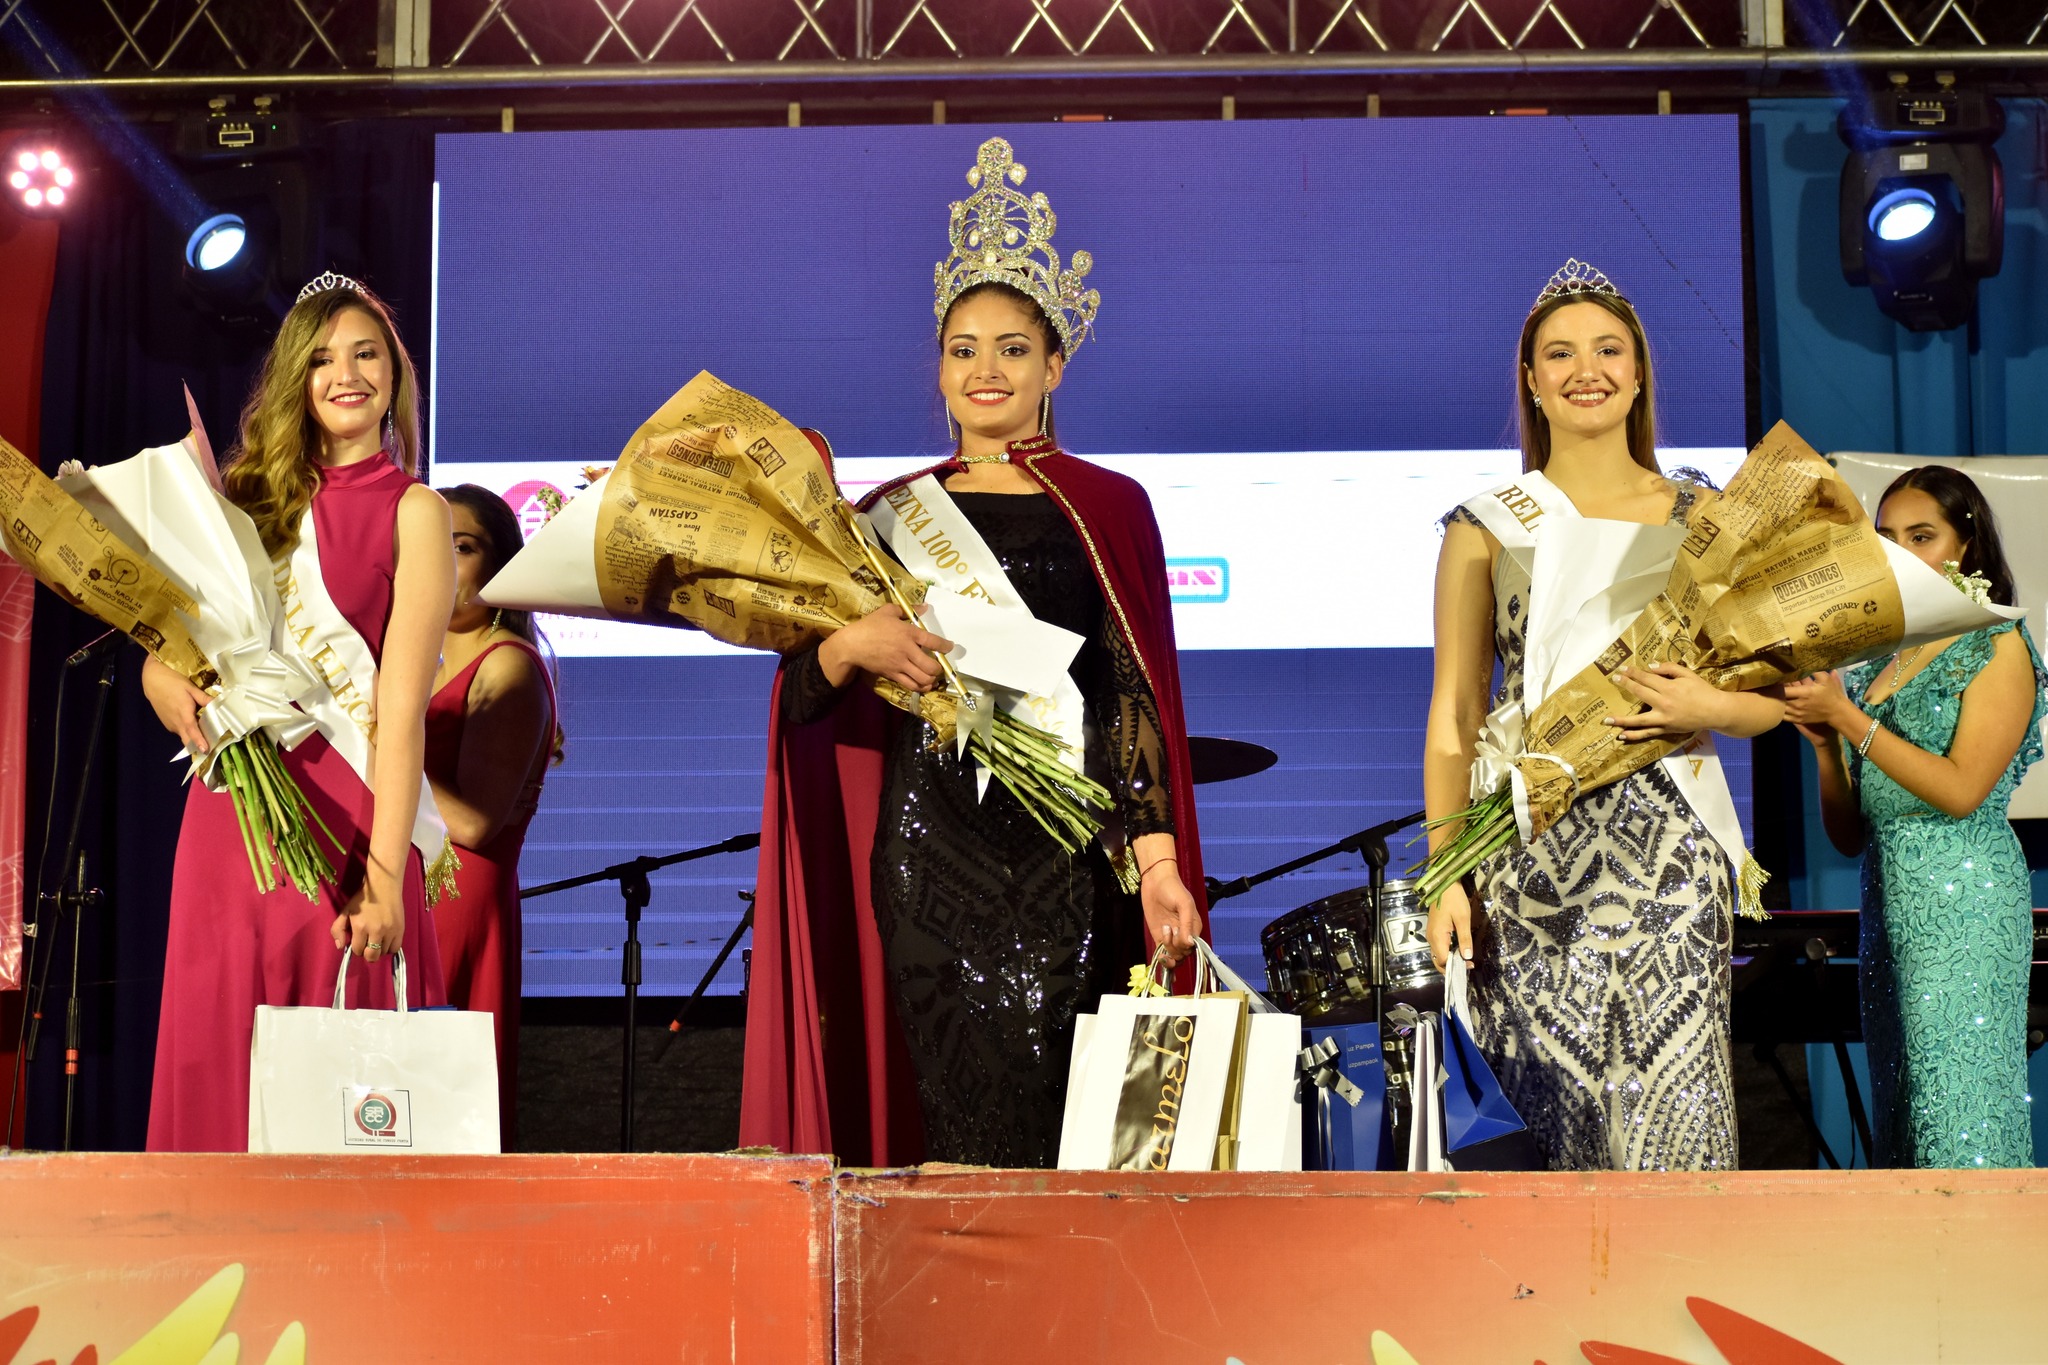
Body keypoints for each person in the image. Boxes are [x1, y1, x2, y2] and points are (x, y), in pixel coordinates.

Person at [740, 136, 1206, 1169]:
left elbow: (1126, 694)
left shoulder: (1108, 507)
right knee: (951, 1121)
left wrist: (1158, 861)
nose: (984, 370)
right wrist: (849, 644)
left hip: (1065, 856)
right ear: (939, 369)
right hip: (928, 850)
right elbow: (800, 700)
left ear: (1053, 366)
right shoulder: (887, 514)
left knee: (1060, 1119)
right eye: (962, 349)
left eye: (1010, 348)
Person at [1423, 260, 1782, 1172]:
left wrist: (1708, 703)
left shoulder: (1705, 517)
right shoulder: (1485, 525)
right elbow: (1456, 711)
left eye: (1609, 349)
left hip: (1673, 854)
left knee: (1677, 1124)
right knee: (1549, 1127)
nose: (1588, 369)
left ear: (1640, 371)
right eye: (1561, 353)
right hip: (1529, 851)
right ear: (1532, 381)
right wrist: (1443, 872)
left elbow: (1770, 701)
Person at [144, 273, 455, 1153]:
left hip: (350, 820)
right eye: (321, 359)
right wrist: (160, 680)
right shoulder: (244, 502)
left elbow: (401, 712)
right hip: (233, 823)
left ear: (395, 372)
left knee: (342, 1089)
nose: (345, 375)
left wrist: (385, 876)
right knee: (223, 1045)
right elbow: (174, 647)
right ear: (295, 378)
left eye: (365, 354)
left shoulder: (416, 511)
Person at [1782, 466, 2043, 1169]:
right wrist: (1826, 748)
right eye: (1887, 538)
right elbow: (1849, 835)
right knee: (1904, 1118)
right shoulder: (1879, 658)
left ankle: (1983, 1242)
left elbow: (1961, 792)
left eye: (1921, 536)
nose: (1900, 552)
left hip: (1967, 901)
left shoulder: (1996, 642)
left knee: (1958, 1116)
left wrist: (1849, 720)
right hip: (1887, 903)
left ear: (1968, 546)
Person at [426, 484, 562, 1152]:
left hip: (455, 898)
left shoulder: (508, 665)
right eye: (427, 545)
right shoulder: (407, 656)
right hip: (403, 891)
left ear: (501, 567)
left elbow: (475, 824)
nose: (440, 562)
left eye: (462, 546)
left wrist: (370, 745)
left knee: (434, 1104)